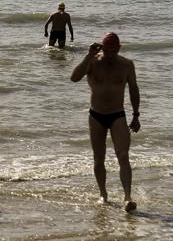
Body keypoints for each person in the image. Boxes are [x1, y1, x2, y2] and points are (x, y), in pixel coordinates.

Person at [70, 32, 140, 212]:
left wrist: (136, 115)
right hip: (96, 115)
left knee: (123, 155)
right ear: (102, 47)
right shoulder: (93, 62)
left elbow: (133, 90)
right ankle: (103, 195)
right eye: (107, 50)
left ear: (119, 48)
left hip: (118, 115)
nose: (110, 53)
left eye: (113, 50)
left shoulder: (126, 65)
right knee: (98, 157)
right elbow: (74, 77)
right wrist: (88, 56)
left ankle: (127, 197)